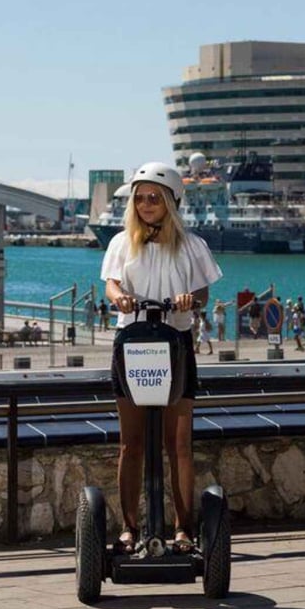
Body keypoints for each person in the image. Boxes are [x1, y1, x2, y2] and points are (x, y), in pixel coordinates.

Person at [102, 161, 221, 556]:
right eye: (140, 199)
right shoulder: (122, 242)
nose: (146, 205)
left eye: (154, 198)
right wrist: (118, 296)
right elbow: (112, 282)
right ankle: (129, 528)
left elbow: (203, 292)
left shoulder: (191, 245)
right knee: (130, 443)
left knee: (179, 443)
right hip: (133, 343)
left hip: (176, 342)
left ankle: (183, 529)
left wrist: (190, 299)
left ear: (170, 201)